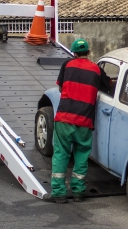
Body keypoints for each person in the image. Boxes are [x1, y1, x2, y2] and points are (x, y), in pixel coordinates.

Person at [45, 38, 111, 203]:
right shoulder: (96, 69)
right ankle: (79, 192)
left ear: (73, 53)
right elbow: (109, 85)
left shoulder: (67, 65)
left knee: (61, 154)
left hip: (65, 119)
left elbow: (60, 87)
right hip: (85, 122)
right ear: (88, 52)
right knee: (82, 156)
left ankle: (59, 194)